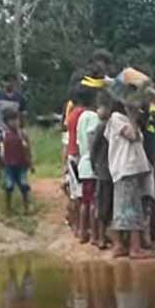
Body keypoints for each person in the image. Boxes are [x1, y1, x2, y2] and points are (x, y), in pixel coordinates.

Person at [106, 101, 155, 259]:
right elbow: (132, 135)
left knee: (128, 207)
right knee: (130, 208)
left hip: (130, 169)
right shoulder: (117, 118)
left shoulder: (122, 119)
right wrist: (133, 117)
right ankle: (134, 248)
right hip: (126, 168)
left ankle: (122, 245)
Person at [65, 85, 95, 236]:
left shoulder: (71, 114)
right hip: (80, 155)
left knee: (75, 193)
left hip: (72, 153)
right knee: (82, 195)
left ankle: (76, 225)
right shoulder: (85, 115)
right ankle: (82, 228)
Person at [76, 89, 101, 243]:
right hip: (91, 165)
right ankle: (94, 235)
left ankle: (82, 231)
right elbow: (92, 138)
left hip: (83, 164)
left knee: (85, 201)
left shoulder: (81, 117)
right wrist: (95, 160)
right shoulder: (93, 117)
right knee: (93, 202)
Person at [0, 109, 34, 215]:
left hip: (22, 164)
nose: (14, 122)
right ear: (6, 122)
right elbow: (0, 151)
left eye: (16, 119)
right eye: (11, 120)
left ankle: (26, 207)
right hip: (8, 165)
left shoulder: (22, 134)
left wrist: (31, 163)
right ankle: (8, 208)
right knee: (9, 186)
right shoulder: (3, 135)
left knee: (24, 185)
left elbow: (28, 149)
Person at [89, 96, 113, 249]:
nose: (100, 110)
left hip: (107, 171)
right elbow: (93, 151)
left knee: (106, 204)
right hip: (105, 171)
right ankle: (100, 237)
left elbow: (93, 151)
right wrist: (94, 166)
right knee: (103, 205)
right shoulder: (102, 127)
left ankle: (102, 236)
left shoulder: (107, 126)